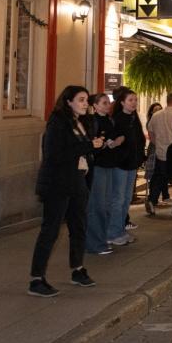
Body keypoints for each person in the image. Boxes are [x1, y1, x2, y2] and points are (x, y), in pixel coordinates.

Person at [28, 86, 105, 297]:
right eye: (80, 100)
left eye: (86, 100)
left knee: (79, 226)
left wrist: (92, 145)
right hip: (57, 183)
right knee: (50, 230)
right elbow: (55, 153)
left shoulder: (82, 123)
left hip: (77, 180)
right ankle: (36, 278)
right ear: (68, 101)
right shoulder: (57, 123)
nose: (85, 104)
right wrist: (88, 146)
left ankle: (77, 269)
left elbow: (83, 148)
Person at [84, 93, 125, 255]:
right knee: (97, 205)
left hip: (109, 164)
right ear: (95, 105)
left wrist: (118, 140)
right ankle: (94, 243)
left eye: (108, 102)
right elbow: (92, 144)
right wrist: (105, 144)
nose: (108, 105)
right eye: (104, 102)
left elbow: (114, 135)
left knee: (106, 204)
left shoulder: (109, 120)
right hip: (98, 166)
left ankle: (102, 238)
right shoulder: (92, 121)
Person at [112, 88, 145, 240]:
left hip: (132, 163)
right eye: (130, 100)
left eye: (135, 100)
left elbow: (138, 139)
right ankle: (114, 232)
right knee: (118, 199)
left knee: (126, 198)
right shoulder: (118, 119)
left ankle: (121, 229)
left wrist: (139, 158)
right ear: (122, 102)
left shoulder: (134, 117)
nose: (134, 103)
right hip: (121, 164)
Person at [145, 103, 166, 204]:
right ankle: (154, 197)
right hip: (154, 149)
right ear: (151, 112)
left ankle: (158, 196)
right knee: (155, 173)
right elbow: (153, 138)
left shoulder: (163, 121)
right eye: (156, 109)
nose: (158, 111)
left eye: (160, 109)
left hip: (160, 148)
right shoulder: (151, 122)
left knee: (161, 173)